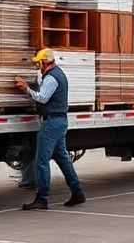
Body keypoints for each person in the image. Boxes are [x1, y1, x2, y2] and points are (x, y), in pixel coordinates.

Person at [14, 48, 85, 210]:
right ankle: (77, 192)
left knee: (41, 161)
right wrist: (32, 85)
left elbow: (42, 98)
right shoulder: (57, 74)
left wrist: (26, 88)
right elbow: (43, 90)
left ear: (45, 63)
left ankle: (42, 198)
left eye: (39, 63)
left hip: (51, 124)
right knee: (63, 159)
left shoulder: (52, 78)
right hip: (59, 121)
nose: (38, 66)